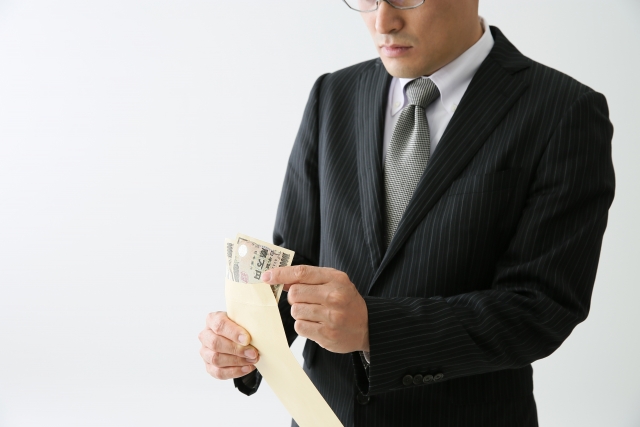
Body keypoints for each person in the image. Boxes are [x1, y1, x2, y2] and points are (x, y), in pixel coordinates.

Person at [198, 0, 615, 425]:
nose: (383, 21)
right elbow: (296, 263)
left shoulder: (563, 111)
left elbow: (541, 307)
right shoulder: (333, 94)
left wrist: (374, 329)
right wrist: (245, 341)